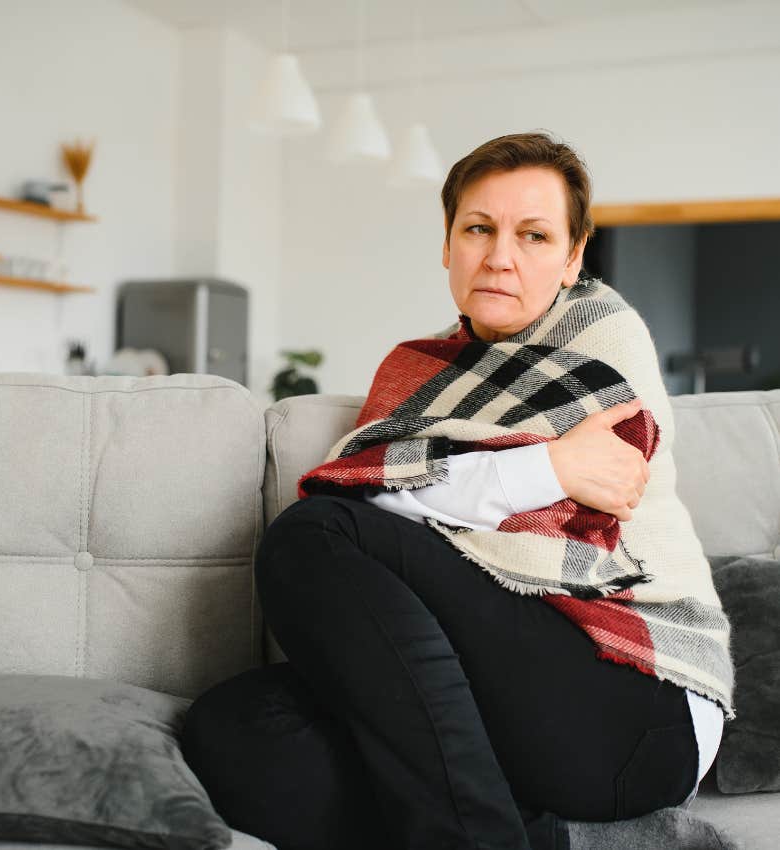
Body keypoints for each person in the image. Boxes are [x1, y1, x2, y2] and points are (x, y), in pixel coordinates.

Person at [180, 131, 733, 850]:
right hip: (504, 696)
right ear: (448, 243)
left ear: (572, 257)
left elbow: (569, 519)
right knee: (234, 728)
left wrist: (515, 481)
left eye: (534, 235)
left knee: (308, 537)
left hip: (636, 699)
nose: (500, 255)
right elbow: (367, 497)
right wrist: (545, 468)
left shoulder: (603, 343)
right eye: (478, 228)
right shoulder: (423, 371)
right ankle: (521, 833)